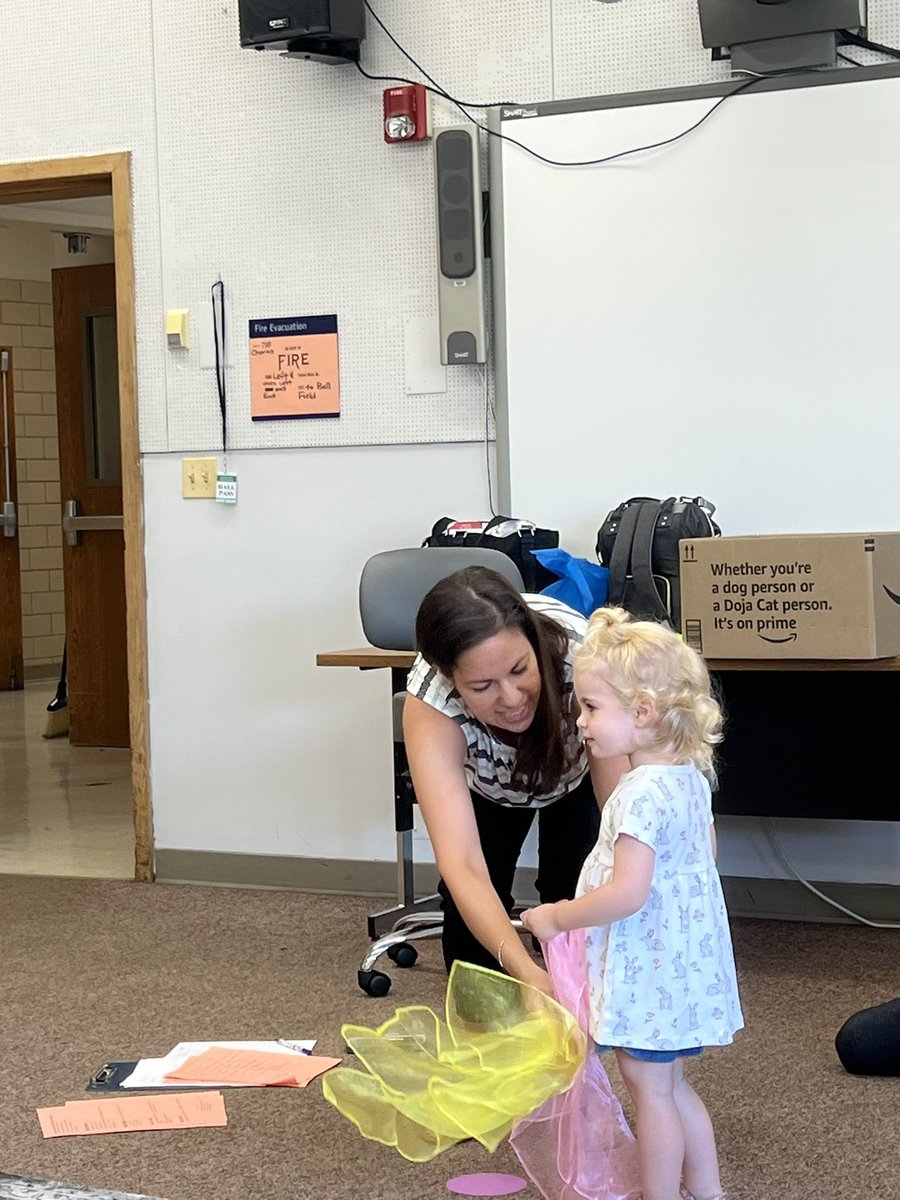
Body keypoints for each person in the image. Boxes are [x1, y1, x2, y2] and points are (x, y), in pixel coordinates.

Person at [522, 607, 743, 1200]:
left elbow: (627, 893)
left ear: (642, 713)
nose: (581, 721)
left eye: (592, 707)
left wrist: (558, 916)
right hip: (679, 965)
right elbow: (703, 858)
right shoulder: (689, 778)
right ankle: (708, 1191)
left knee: (649, 1092)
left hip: (650, 973)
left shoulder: (638, 793)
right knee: (668, 1088)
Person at [404, 565, 628, 994]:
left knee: (575, 899)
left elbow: (619, 808)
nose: (511, 699)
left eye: (519, 669)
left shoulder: (580, 655)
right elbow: (464, 865)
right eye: (483, 685)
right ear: (451, 680)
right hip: (489, 788)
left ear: (533, 643)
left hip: (578, 773)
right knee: (474, 960)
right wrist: (526, 975)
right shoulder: (432, 704)